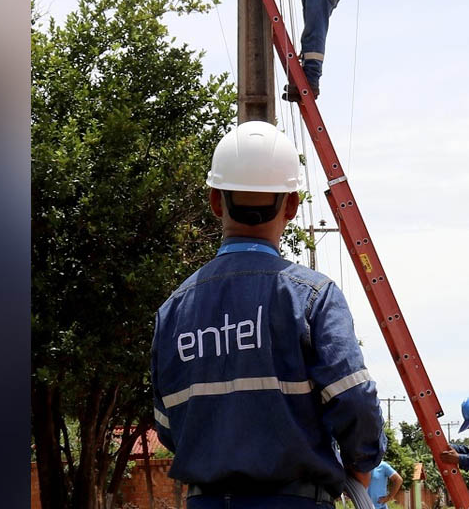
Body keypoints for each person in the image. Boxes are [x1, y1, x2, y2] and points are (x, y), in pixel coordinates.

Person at [151, 120, 386, 509]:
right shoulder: (313, 297)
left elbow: (168, 427)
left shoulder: (172, 311)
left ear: (214, 201)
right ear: (291, 205)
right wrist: (361, 467)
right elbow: (355, 399)